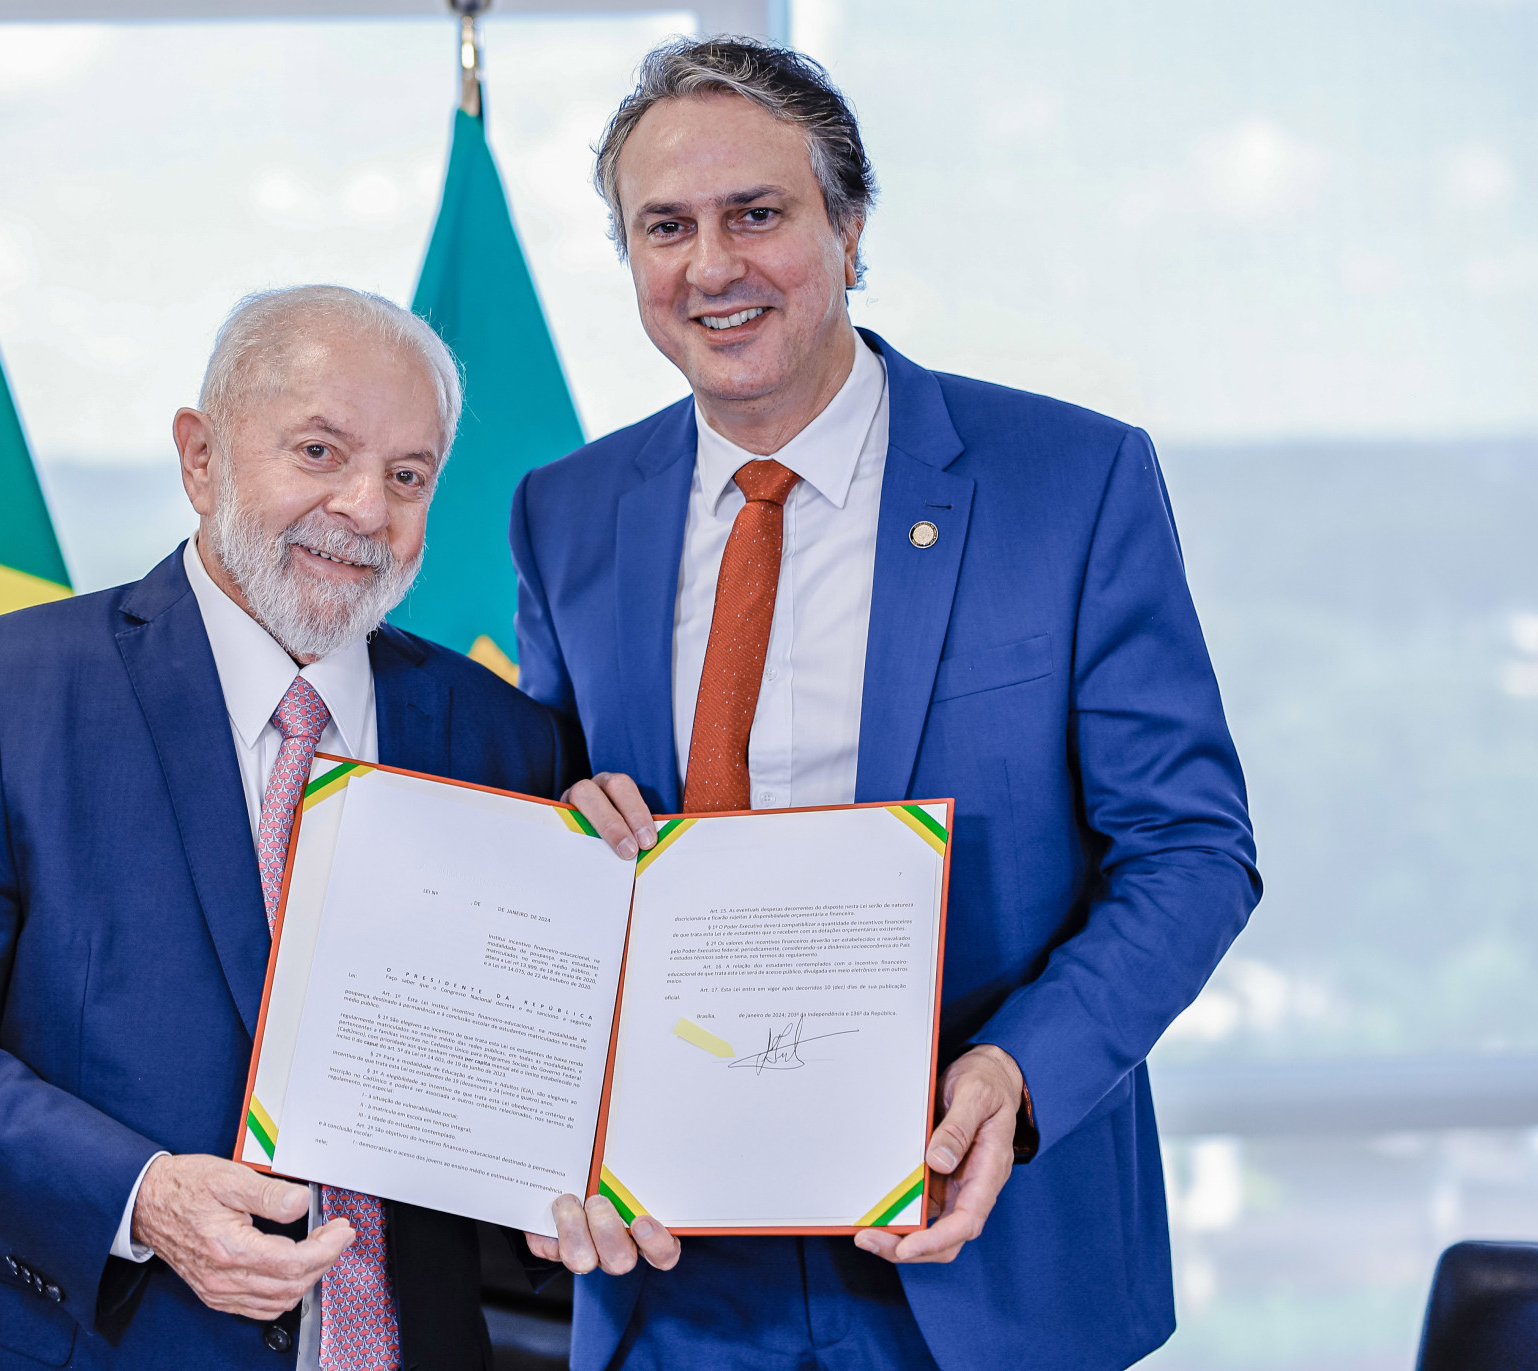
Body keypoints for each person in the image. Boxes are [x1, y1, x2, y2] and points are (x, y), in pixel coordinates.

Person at [523, 37, 1260, 1371]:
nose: (712, 266)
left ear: (850, 228)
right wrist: (556, 830)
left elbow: (1194, 850)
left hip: (979, 1242)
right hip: (672, 1280)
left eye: (758, 213)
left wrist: (1014, 1078)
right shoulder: (565, 511)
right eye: (665, 227)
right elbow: (546, 821)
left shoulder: (1070, 481)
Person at [0, 285, 582, 1369]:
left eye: (408, 476)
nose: (365, 507)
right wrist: (141, 1196)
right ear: (201, 456)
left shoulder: (506, 742)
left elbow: (532, 1087)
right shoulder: (1, 688)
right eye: (319, 451)